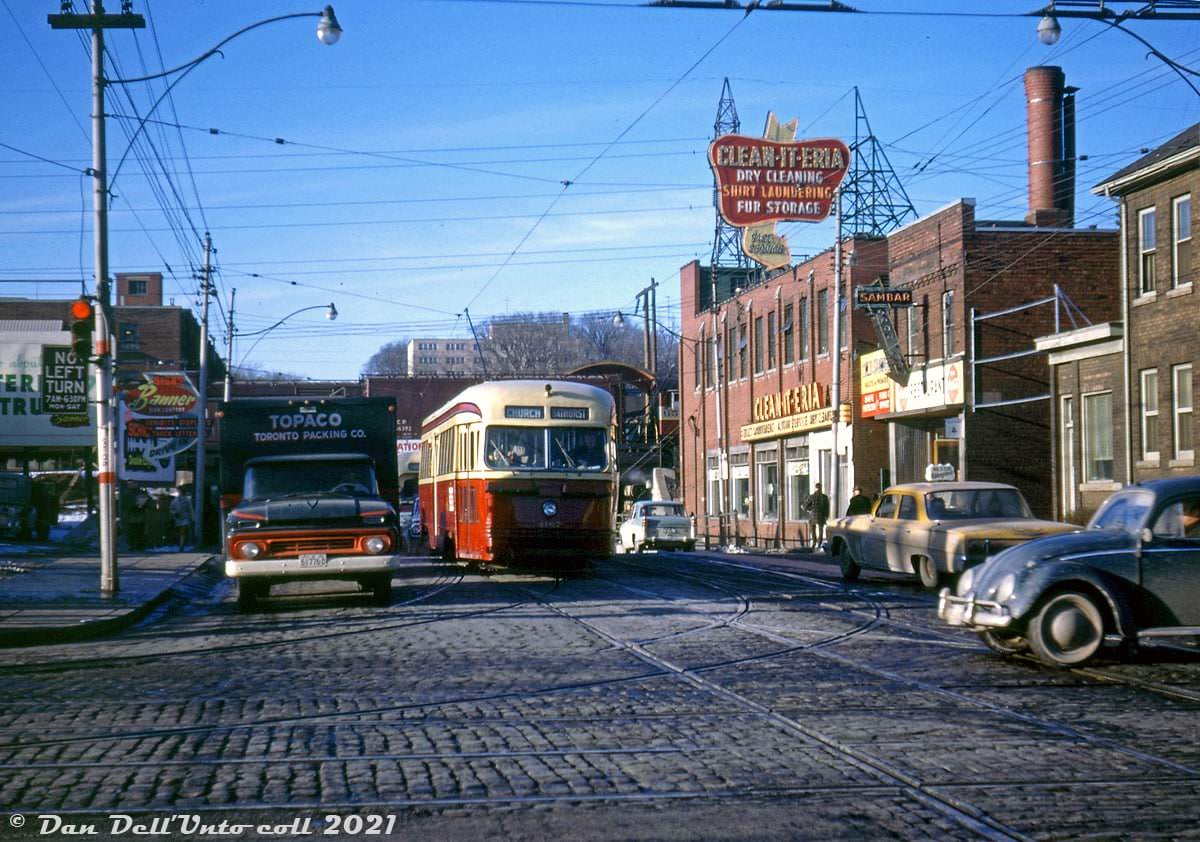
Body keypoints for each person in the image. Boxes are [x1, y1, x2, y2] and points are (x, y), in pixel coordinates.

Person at [806, 483, 830, 550]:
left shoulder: (812, 496)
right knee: (820, 530)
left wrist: (808, 509)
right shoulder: (824, 497)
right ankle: (819, 543)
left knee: (813, 529)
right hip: (821, 515)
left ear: (815, 488)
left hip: (813, 515)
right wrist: (826, 515)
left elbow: (806, 506)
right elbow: (827, 507)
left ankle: (814, 542)